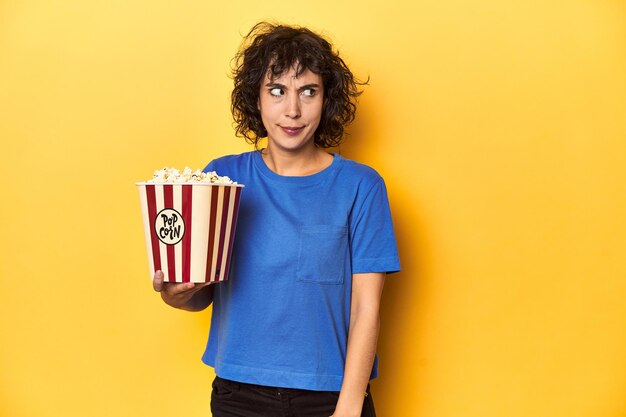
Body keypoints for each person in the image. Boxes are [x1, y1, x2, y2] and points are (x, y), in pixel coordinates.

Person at [152, 21, 400, 417]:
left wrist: (349, 406)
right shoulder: (219, 180)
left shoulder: (361, 187)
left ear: (327, 99)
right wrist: (175, 294)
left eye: (308, 91)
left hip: (331, 396)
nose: (293, 110)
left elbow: (366, 309)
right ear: (257, 98)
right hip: (239, 396)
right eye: (277, 90)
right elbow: (197, 293)